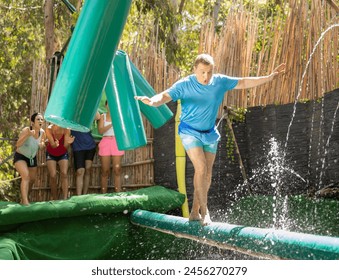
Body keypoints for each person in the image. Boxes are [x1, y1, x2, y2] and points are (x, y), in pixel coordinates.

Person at [135, 53, 286, 225]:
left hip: (209, 133)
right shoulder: (185, 84)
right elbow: (164, 96)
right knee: (201, 167)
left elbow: (243, 82)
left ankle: (194, 211)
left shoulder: (219, 81)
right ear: (195, 70)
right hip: (189, 131)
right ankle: (205, 212)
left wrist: (268, 77)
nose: (206, 77)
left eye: (209, 72)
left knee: (206, 173)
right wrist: (153, 101)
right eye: (202, 72)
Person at [14, 112, 46, 205]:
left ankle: (24, 198)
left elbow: (42, 144)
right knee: (26, 176)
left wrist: (42, 145)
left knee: (32, 180)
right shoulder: (26, 130)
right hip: (20, 156)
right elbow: (18, 144)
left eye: (42, 119)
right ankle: (26, 202)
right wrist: (28, 135)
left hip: (32, 158)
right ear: (32, 122)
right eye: (38, 119)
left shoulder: (42, 132)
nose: (40, 121)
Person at [98, 101, 124, 193]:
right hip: (105, 142)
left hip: (117, 142)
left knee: (117, 169)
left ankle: (118, 193)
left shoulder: (119, 116)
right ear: (106, 106)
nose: (110, 105)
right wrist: (112, 124)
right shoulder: (102, 116)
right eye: (108, 103)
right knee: (105, 170)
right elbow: (100, 131)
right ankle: (103, 194)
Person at [71, 112, 100, 195]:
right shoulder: (72, 113)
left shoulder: (88, 113)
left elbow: (97, 116)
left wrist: (92, 102)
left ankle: (85, 194)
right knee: (80, 171)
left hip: (90, 145)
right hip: (77, 146)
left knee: (88, 169)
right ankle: (79, 196)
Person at [46, 124, 74, 200]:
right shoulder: (48, 129)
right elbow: (52, 145)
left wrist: (68, 142)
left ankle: (65, 198)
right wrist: (55, 144)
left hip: (62, 153)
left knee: (64, 173)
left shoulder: (66, 129)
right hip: (51, 153)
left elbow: (65, 147)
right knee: (53, 175)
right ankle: (54, 198)